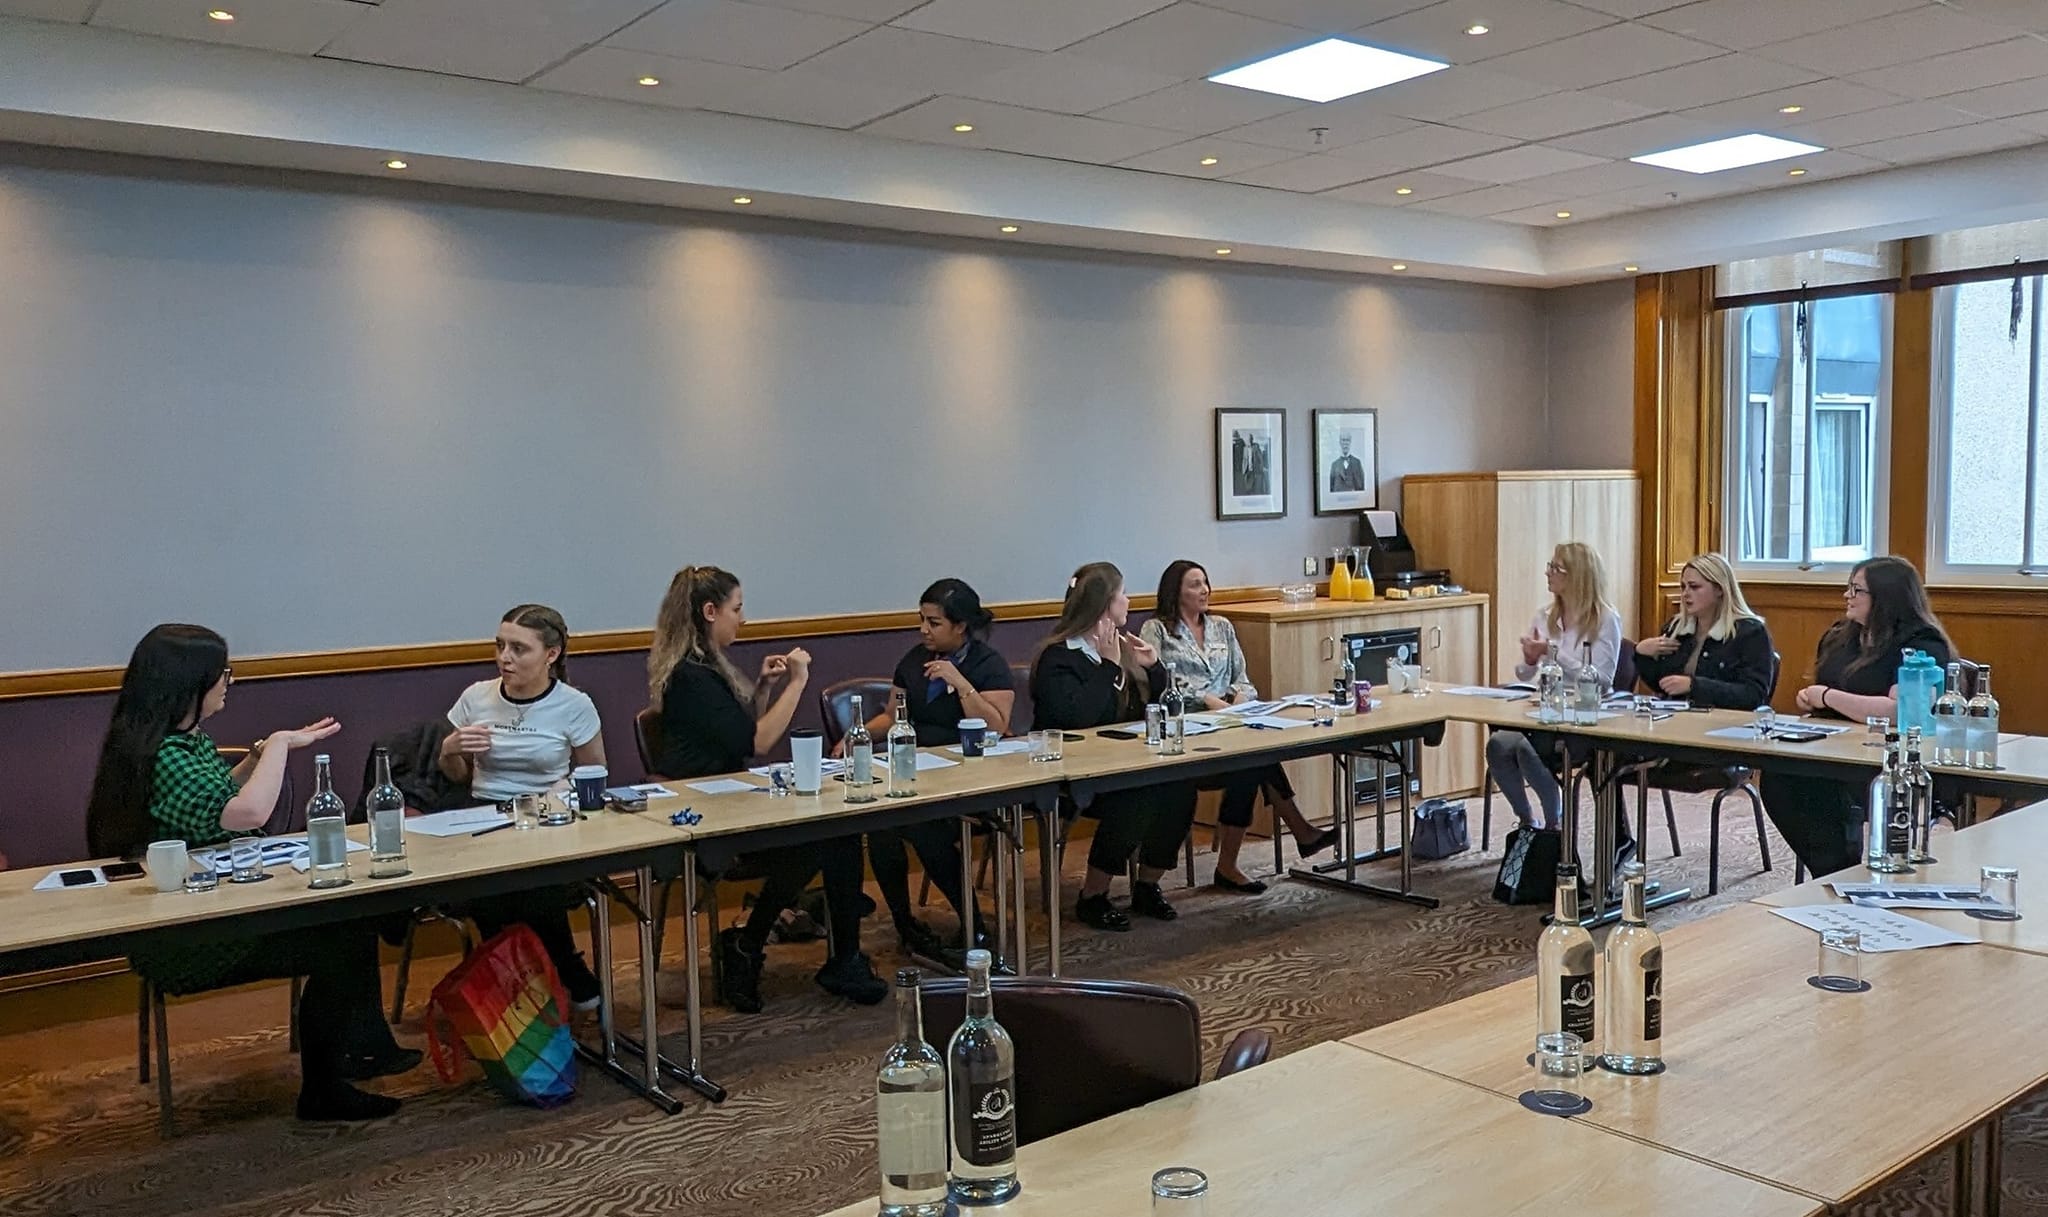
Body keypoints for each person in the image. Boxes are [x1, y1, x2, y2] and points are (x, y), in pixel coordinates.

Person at [84, 625, 415, 1121]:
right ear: (190, 684)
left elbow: (214, 801)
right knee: (339, 939)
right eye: (223, 674)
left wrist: (256, 760)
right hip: (192, 934)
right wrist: (279, 745)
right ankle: (323, 1090)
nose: (228, 683)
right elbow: (247, 815)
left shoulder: (181, 741)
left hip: (217, 903)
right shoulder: (165, 757)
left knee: (350, 915)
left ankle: (364, 1046)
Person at [648, 566, 885, 1012]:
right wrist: (797, 683)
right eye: (737, 609)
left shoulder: (707, 665)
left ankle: (841, 956)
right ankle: (751, 943)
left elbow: (736, 730)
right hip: (705, 813)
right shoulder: (692, 677)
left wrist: (763, 688)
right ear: (710, 611)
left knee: (840, 831)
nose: (743, 619)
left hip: (729, 797)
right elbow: (754, 743)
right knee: (820, 839)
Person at [438, 605, 607, 1012]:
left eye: (518, 649)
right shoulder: (475, 697)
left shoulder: (574, 704)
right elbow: (456, 775)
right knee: (494, 886)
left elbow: (595, 771)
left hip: (548, 818)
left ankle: (538, 979)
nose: (504, 658)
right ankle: (542, 979)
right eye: (500, 646)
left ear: (551, 654)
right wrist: (449, 750)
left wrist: (560, 791)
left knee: (533, 882)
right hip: (486, 815)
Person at [1139, 560, 1340, 893]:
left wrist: (1239, 700)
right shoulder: (1156, 630)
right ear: (1175, 592)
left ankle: (1241, 861)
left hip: (1232, 722)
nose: (1203, 590)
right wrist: (1207, 701)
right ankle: (1295, 833)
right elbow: (1157, 682)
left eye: (1205, 582)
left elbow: (1243, 680)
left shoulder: (1222, 626)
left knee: (1254, 761)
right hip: (1188, 729)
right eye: (1194, 584)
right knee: (1254, 763)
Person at [849, 579, 1010, 963]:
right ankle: (905, 923)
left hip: (972, 779)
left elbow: (997, 726)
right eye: (921, 619)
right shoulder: (912, 661)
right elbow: (893, 715)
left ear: (961, 626)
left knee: (926, 827)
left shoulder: (988, 665)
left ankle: (973, 922)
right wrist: (854, 736)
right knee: (881, 825)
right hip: (919, 772)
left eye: (934, 622)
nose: (924, 629)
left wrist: (960, 683)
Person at [1763, 556, 1954, 878]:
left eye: (1857, 590)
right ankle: (1833, 870)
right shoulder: (1842, 635)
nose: (1847, 596)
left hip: (1891, 755)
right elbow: (1828, 687)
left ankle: (1840, 869)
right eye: (1848, 588)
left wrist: (1826, 696)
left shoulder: (1921, 643)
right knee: (1780, 775)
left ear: (1886, 597)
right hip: (1833, 744)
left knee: (1821, 786)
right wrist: (1813, 699)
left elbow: (1899, 711)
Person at [1031, 562, 1193, 930]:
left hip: (1125, 760)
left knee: (1179, 786)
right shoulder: (1059, 656)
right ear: (1105, 604)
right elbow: (1076, 720)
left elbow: (1165, 702)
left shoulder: (1126, 646)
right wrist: (1107, 667)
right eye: (1122, 594)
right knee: (1135, 795)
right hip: (1070, 770)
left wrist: (1154, 669)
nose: (1128, 600)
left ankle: (1148, 884)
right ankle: (1093, 895)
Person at [1485, 543, 1623, 833]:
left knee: (1525, 746)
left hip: (1586, 714)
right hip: (1546, 705)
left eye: (1555, 568)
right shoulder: (1545, 615)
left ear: (1577, 577)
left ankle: (1554, 822)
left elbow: (1603, 679)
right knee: (1497, 744)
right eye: (1550, 566)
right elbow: (1526, 673)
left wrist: (1553, 651)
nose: (1547, 573)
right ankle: (1526, 819)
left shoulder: (1606, 620)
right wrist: (1530, 659)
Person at [1632, 553, 1774, 710]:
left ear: (1719, 589)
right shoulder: (1677, 627)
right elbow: (1662, 684)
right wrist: (1642, 654)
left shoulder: (1750, 633)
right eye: (1683, 587)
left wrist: (1695, 686)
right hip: (1677, 719)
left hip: (1724, 722)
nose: (1686, 593)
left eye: (1694, 587)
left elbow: (1753, 695)